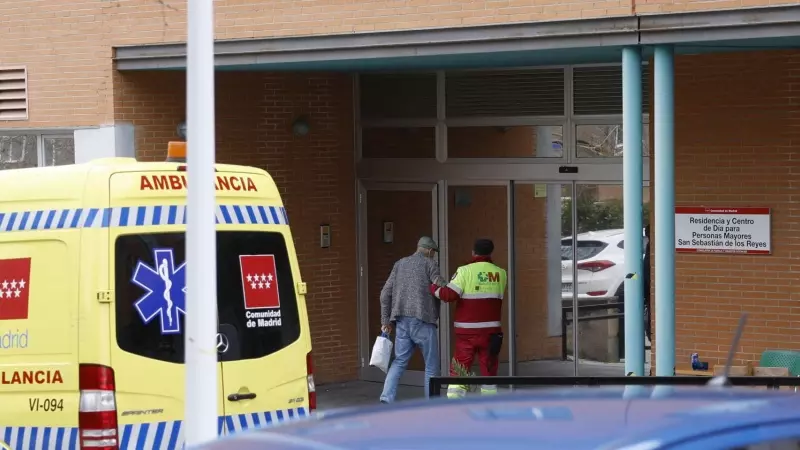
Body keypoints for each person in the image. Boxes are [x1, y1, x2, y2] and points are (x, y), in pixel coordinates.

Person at [431, 238, 507, 399]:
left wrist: (434, 288)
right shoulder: (501, 273)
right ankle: (490, 406)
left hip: (467, 332)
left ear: (473, 252)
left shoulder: (464, 271)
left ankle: (455, 405)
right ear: (490, 252)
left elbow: (449, 295)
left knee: (461, 368)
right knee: (489, 370)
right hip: (491, 332)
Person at [379, 236, 447, 403]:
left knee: (399, 362)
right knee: (431, 366)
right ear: (430, 251)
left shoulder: (399, 264)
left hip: (401, 321)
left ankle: (386, 397)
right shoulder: (429, 264)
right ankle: (432, 404)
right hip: (423, 320)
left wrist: (385, 321)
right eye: (434, 253)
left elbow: (384, 294)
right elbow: (441, 286)